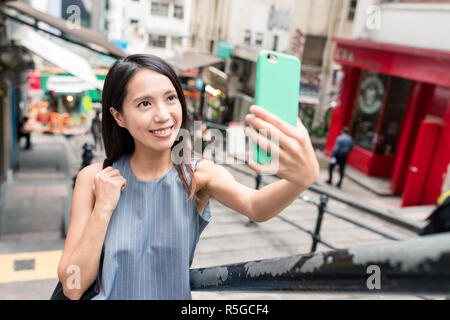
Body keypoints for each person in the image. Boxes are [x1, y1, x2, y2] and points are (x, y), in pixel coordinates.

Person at [57, 54, 319, 300]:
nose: (163, 115)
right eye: (144, 103)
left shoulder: (197, 173)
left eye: (170, 98)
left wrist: (301, 179)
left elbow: (255, 207)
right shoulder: (94, 179)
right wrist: (102, 208)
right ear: (119, 116)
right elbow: (73, 286)